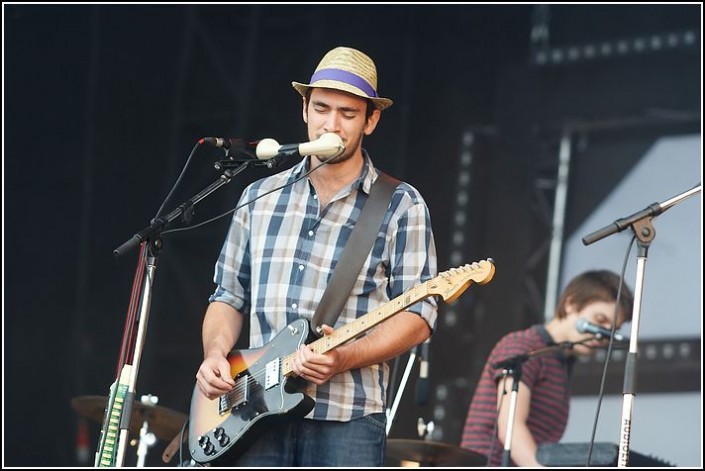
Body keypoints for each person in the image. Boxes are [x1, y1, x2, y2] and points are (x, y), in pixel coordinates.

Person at [194, 46, 438, 467]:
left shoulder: (401, 205)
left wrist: (344, 357)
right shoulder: (259, 196)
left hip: (348, 419)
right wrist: (215, 354)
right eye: (322, 108)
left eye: (348, 113)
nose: (332, 124)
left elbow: (419, 317)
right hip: (252, 414)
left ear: (371, 120)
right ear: (304, 109)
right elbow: (228, 296)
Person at [460, 270, 634, 467]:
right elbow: (511, 429)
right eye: (600, 320)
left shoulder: (561, 363)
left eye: (612, 330)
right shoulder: (524, 346)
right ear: (570, 304)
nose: (603, 335)